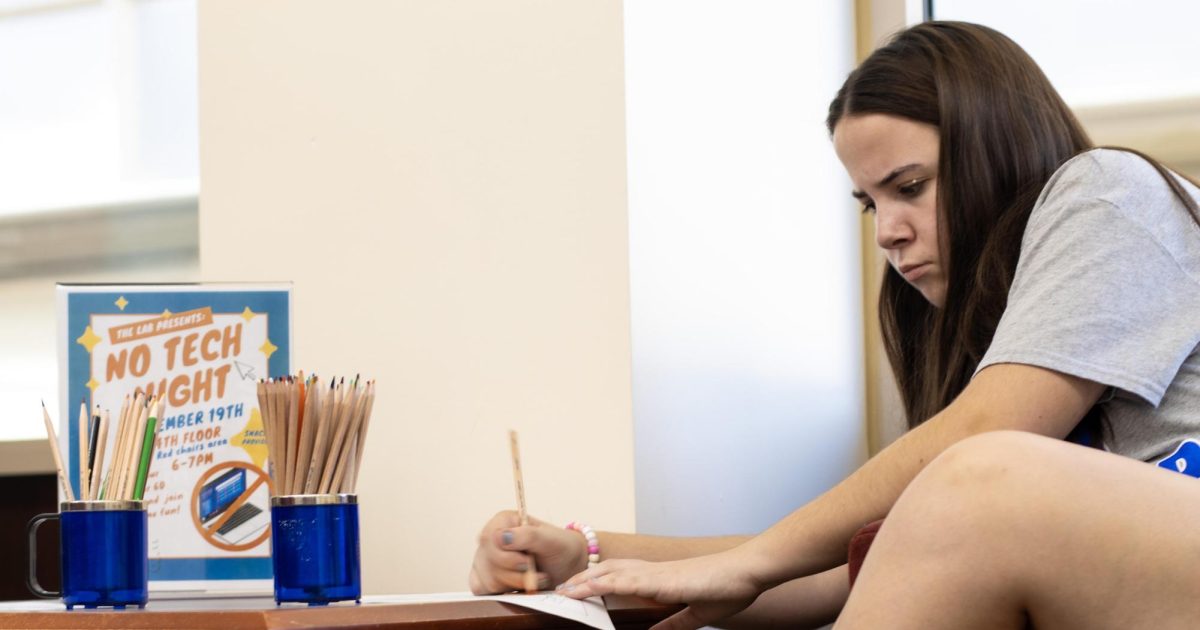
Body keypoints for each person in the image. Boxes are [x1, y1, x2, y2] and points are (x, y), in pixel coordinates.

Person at [469, 21, 1200, 629]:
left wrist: (750, 561)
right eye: (870, 204)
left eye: (910, 187)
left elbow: (982, 449)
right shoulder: (998, 367)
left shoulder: (1109, 191)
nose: (888, 232)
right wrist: (585, 558)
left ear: (998, 144)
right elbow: (839, 575)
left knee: (978, 476)